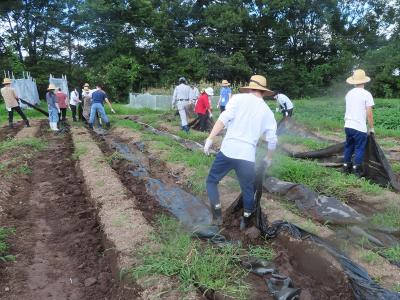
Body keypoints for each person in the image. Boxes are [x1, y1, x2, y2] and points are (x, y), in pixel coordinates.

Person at [203, 75, 277, 229]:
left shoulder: (237, 99)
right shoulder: (267, 112)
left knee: (212, 181)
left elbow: (223, 119)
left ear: (250, 87)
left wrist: (210, 138)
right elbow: (272, 140)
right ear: (263, 92)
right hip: (247, 156)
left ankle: (217, 216)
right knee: (247, 189)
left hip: (228, 151)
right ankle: (245, 220)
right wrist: (269, 158)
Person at [343, 69, 375, 177]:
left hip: (348, 125)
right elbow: (369, 113)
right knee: (359, 148)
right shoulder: (366, 94)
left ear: (354, 81)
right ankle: (357, 171)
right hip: (359, 127)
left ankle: (346, 167)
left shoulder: (349, 93)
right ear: (364, 81)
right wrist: (371, 128)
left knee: (348, 147)